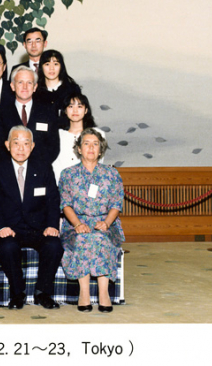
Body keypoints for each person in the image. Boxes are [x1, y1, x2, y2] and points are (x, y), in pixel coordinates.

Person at [0, 126, 63, 310]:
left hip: (38, 227)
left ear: (32, 146)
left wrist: (52, 225)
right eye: (16, 143)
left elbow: (53, 201)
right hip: (10, 227)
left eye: (26, 143)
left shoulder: (43, 168)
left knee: (54, 246)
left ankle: (42, 293)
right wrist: (1, 227)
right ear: (7, 145)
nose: (21, 148)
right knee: (8, 247)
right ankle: (17, 294)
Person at [59, 128, 124, 313]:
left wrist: (106, 223)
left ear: (100, 149)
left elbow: (116, 204)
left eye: (95, 144)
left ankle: (104, 294)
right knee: (83, 238)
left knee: (101, 237)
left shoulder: (111, 174)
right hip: (75, 224)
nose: (91, 147)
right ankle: (84, 294)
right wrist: (78, 224)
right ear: (79, 148)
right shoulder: (68, 174)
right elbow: (65, 204)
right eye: (86, 143)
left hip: (106, 223)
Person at [0, 66, 59, 164]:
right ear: (12, 86)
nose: (25, 87)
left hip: (40, 168)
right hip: (9, 168)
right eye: (20, 82)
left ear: (35, 87)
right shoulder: (1, 113)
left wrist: (34, 168)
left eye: (29, 83)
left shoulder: (48, 111)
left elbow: (53, 146)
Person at [53, 92, 104, 182]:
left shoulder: (97, 134)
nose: (75, 110)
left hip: (88, 185)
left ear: (86, 110)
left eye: (79, 106)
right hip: (62, 185)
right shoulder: (57, 135)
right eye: (71, 106)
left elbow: (99, 163)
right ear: (65, 110)